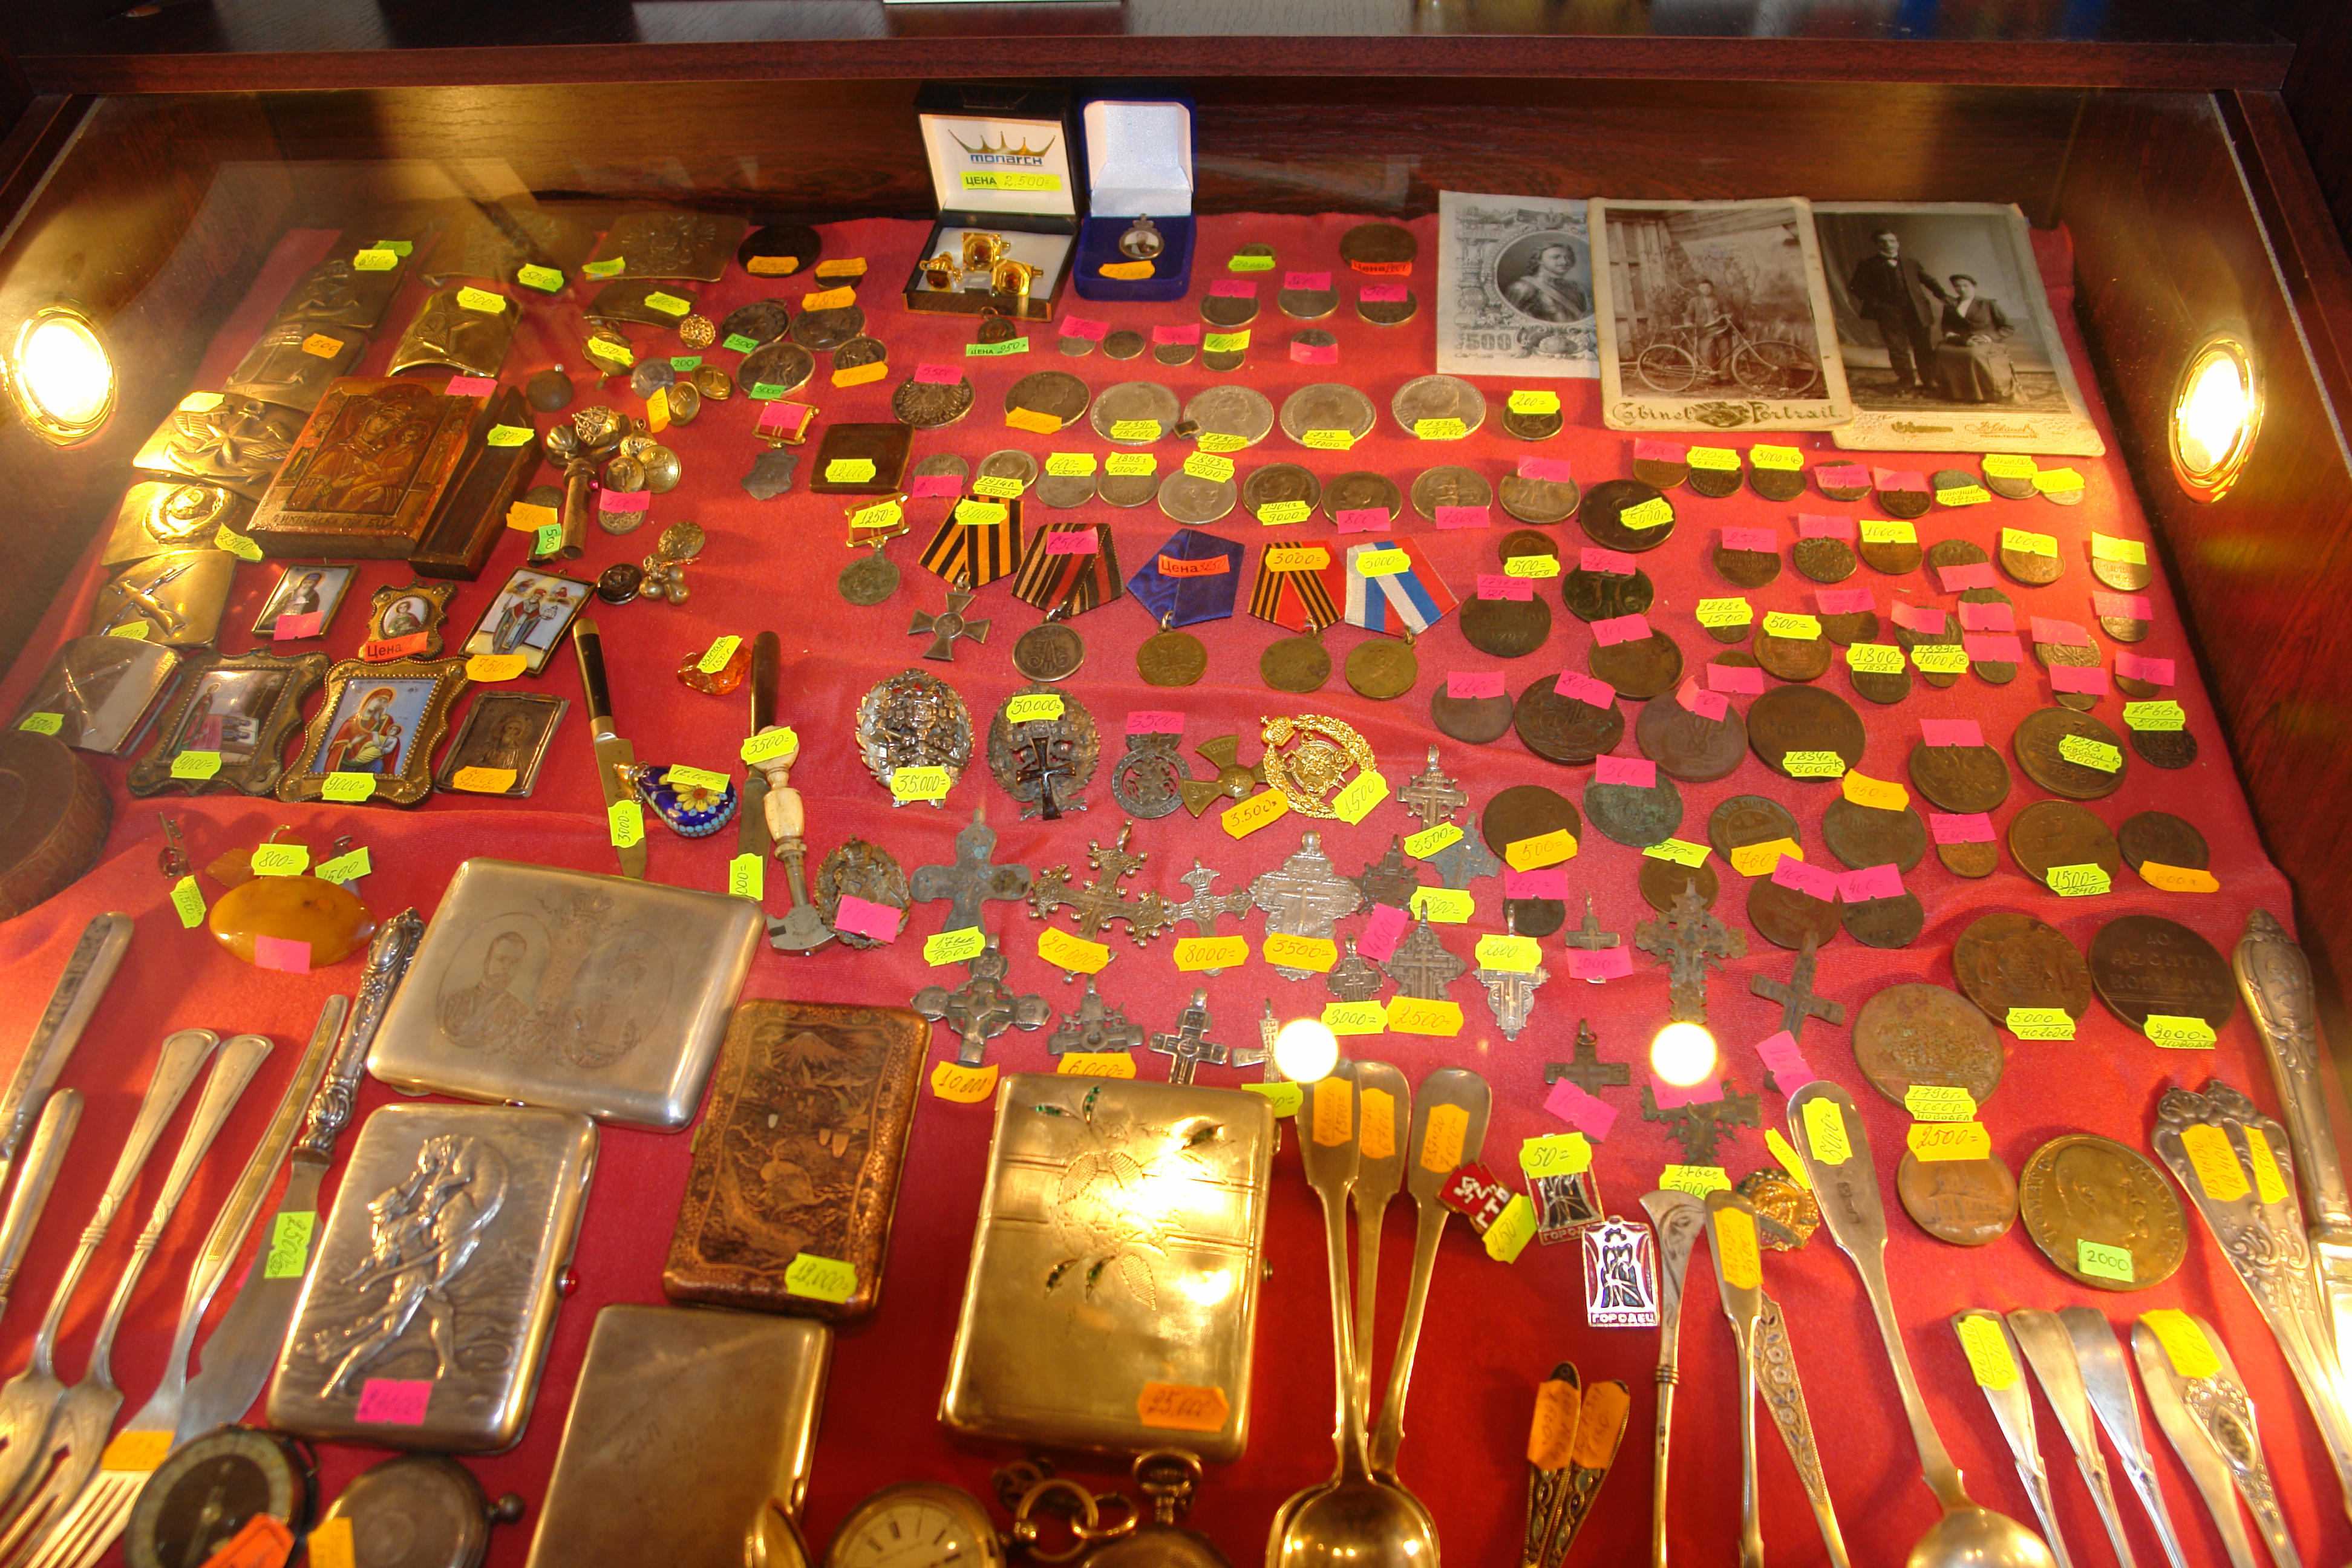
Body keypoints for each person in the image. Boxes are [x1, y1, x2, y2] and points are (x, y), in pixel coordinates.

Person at [1845, 229, 1947, 396]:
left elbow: (1929, 280)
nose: (1888, 245)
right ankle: (1906, 381)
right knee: (1897, 348)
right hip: (1889, 313)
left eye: (1892, 241)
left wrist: (1943, 296)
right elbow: (1855, 287)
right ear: (1877, 245)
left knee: (1923, 347)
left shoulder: (1910, 263)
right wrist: (1877, 304)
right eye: (1883, 242)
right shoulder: (1869, 264)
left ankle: (1928, 379)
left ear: (1898, 243)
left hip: (1916, 312)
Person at [1930, 273, 2017, 403]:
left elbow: (2009, 327)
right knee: (1941, 350)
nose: (1962, 289)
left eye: (1966, 286)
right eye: (1958, 286)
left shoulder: (1988, 304)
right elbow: (1946, 326)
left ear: (1974, 287)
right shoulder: (1951, 305)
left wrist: (1988, 337)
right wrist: (1953, 336)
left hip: (1986, 341)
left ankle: (1982, 393)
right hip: (1962, 341)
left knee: (1973, 353)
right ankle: (1953, 392)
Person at [322, 686, 404, 774]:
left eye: (385, 702)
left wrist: (382, 716)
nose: (381, 704)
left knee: (378, 764)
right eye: (379, 700)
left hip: (368, 762)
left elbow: (387, 738)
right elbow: (337, 749)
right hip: (347, 763)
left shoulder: (382, 722)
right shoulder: (350, 723)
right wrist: (352, 744)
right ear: (370, 700)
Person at [1504, 242, 1590, 323]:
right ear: (1539, 260)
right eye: (1555, 257)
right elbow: (1513, 321)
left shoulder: (1577, 289)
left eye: (1568, 258)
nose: (1564, 262)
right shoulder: (1523, 288)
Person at [1684, 281, 1737, 378]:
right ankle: (1711, 377)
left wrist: (1728, 315)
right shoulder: (1695, 301)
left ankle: (1726, 376)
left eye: (1708, 288)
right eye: (1703, 288)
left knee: (1726, 354)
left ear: (1712, 288)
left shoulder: (1720, 300)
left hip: (1722, 329)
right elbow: (1689, 313)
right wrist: (1688, 322)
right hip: (1705, 331)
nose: (1706, 290)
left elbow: (1729, 311)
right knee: (1707, 354)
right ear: (1699, 289)